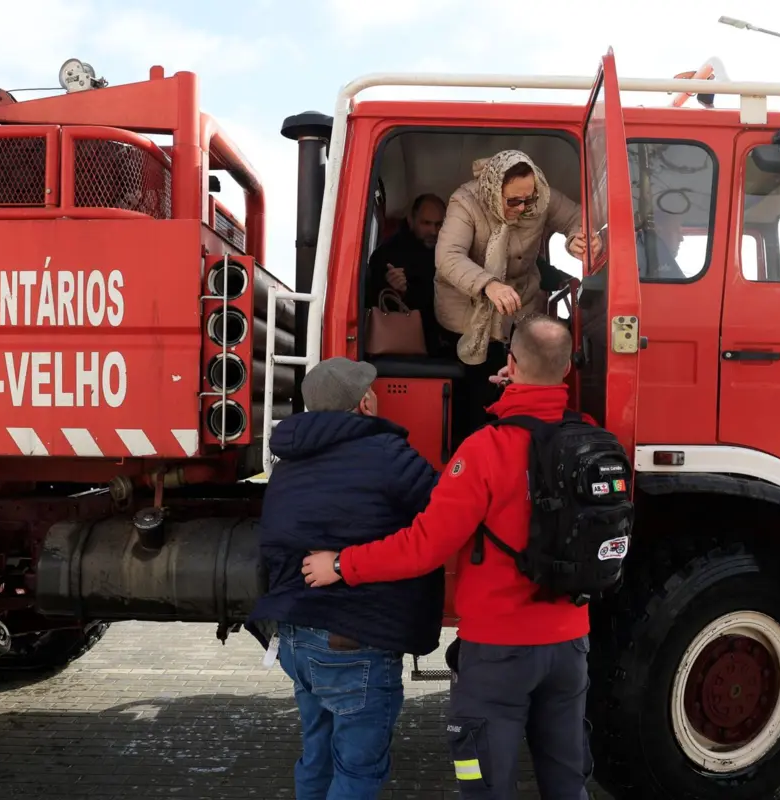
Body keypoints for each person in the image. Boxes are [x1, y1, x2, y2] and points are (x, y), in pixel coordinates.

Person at [301, 315, 595, 800]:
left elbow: (424, 547)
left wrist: (341, 565)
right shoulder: (589, 437)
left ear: (510, 363)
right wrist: (519, 391)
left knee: (485, 786)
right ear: (566, 369)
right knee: (567, 784)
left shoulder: (484, 449)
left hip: (498, 653)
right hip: (571, 647)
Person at [244, 356, 443, 800]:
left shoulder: (288, 463)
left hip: (297, 636)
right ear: (364, 404)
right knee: (357, 771)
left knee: (316, 758)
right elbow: (446, 512)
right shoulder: (388, 454)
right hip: (355, 641)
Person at [433, 150, 588, 442]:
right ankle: (473, 448)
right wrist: (488, 284)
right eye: (513, 201)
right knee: (475, 393)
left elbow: (578, 218)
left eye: (529, 199)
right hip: (466, 311)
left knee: (514, 390)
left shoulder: (541, 196)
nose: (523, 207)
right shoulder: (465, 201)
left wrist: (575, 239)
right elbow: (448, 257)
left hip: (519, 305)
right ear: (494, 191)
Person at [366, 193, 450, 357]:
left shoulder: (451, 252)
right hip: (403, 347)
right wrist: (395, 289)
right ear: (411, 220)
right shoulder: (388, 253)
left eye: (439, 224)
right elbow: (371, 301)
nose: (433, 231)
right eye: (426, 223)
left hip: (445, 340)